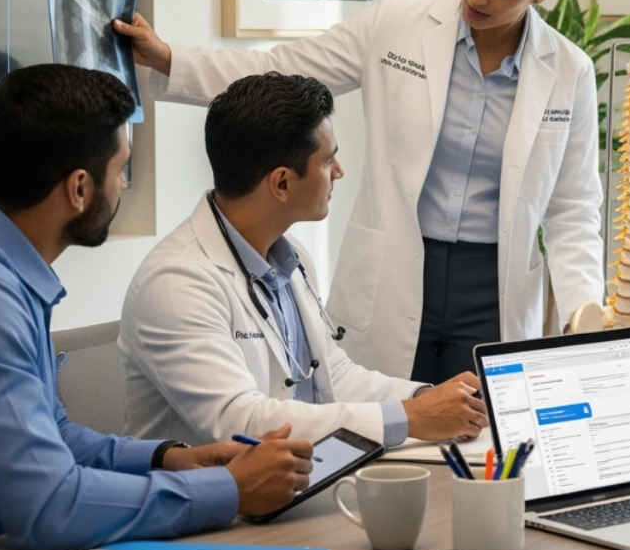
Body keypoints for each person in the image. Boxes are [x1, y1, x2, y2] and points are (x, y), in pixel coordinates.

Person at [0, 64, 314, 550]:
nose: (124, 184)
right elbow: (48, 507)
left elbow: (51, 435)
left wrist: (168, 459)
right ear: (79, 188)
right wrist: (229, 490)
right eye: (122, 168)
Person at [114, 0, 603, 384]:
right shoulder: (398, 22)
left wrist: (582, 311)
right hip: (396, 269)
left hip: (491, 288)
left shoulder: (568, 72)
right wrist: (169, 58)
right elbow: (278, 70)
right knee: (387, 418)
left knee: (482, 424)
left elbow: (573, 208)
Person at [120, 72, 488, 446]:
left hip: (310, 470)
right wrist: (410, 418)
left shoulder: (289, 256)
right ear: (282, 183)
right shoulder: (176, 284)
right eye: (328, 161)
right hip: (217, 484)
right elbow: (244, 421)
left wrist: (422, 398)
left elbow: (332, 376)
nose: (339, 172)